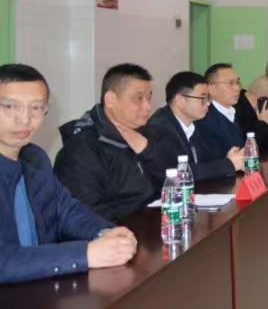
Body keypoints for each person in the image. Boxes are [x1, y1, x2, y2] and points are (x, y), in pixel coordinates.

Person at [0, 64, 138, 284]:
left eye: (36, 107)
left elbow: (65, 210)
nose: (25, 119)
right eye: (9, 106)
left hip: (36, 286)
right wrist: (86, 254)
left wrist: (105, 232)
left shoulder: (34, 158)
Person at [55, 64, 169, 221]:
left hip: (154, 222)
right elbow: (86, 213)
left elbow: (173, 181)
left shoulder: (145, 133)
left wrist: (147, 150)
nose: (148, 106)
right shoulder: (82, 148)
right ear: (110, 100)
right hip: (119, 231)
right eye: (139, 99)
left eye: (149, 98)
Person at [146, 72, 243, 185]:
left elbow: (205, 163)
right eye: (202, 98)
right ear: (180, 100)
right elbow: (178, 173)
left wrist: (230, 158)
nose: (208, 103)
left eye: (208, 98)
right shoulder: (161, 129)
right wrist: (229, 164)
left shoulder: (195, 125)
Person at [198, 63, 247, 162]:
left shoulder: (237, 112)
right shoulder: (203, 118)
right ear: (212, 88)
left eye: (237, 82)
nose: (237, 88)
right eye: (230, 83)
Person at [234, 75, 268, 152]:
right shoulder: (237, 111)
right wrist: (263, 123)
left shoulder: (247, 104)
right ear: (262, 99)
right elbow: (248, 146)